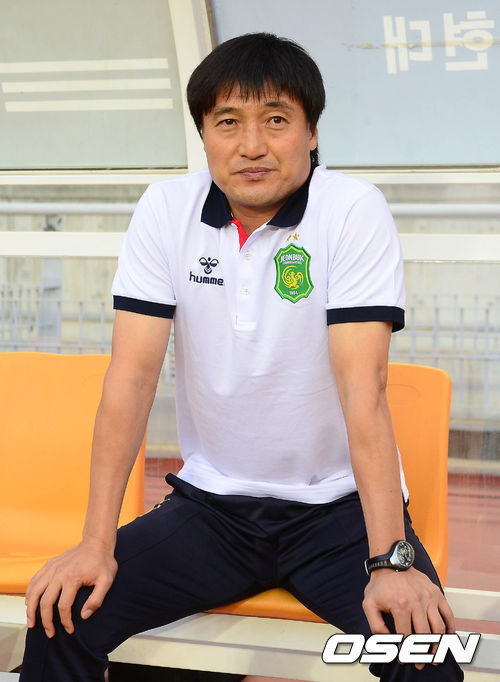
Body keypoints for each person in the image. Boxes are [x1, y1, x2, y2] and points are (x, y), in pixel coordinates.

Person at [20, 33, 463, 682]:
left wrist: (389, 561)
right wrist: (95, 542)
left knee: (423, 656)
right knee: (61, 615)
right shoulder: (166, 209)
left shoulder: (351, 210)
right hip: (213, 511)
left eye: (276, 120)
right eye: (228, 122)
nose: (251, 145)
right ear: (204, 134)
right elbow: (132, 378)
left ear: (312, 132)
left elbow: (362, 389)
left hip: (338, 514)